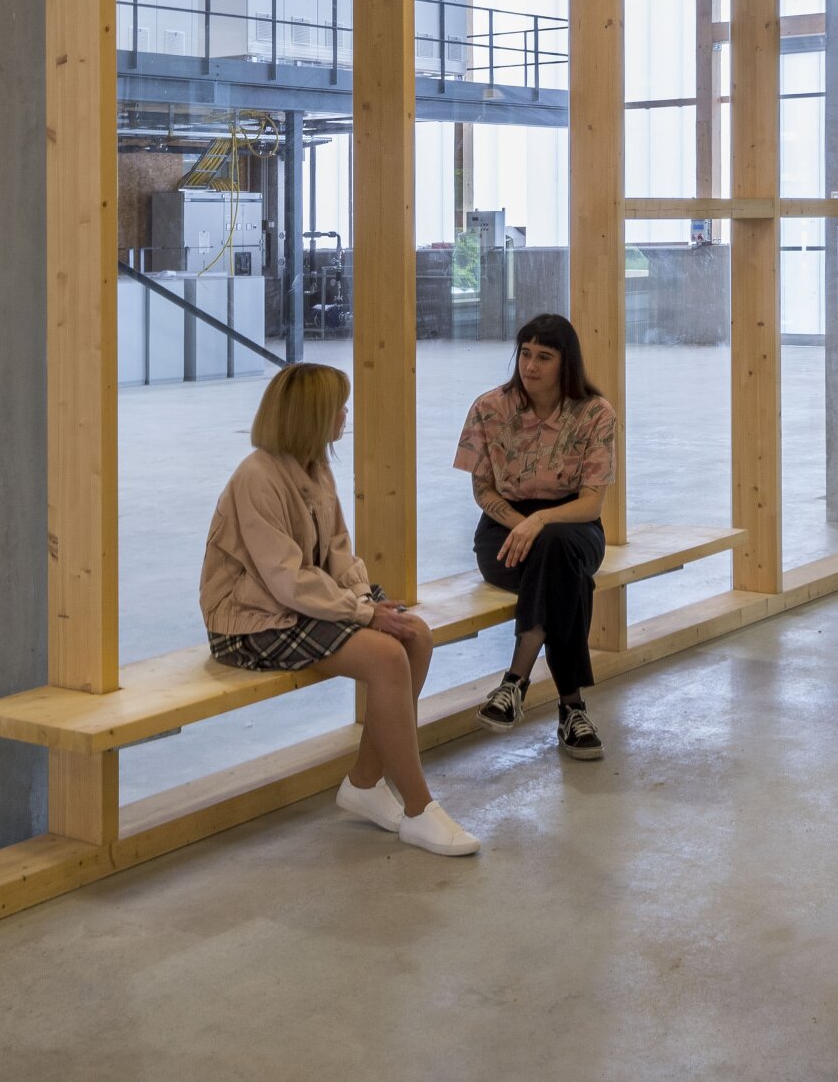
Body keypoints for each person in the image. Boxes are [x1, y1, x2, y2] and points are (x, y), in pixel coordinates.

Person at [202, 362, 478, 857]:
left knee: (415, 634)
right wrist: (363, 615)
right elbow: (286, 578)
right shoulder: (256, 478)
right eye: (338, 407)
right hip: (248, 622)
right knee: (386, 656)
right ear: (311, 415)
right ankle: (419, 809)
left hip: (292, 607)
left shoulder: (316, 467)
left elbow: (339, 553)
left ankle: (366, 782)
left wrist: (368, 602)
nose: (345, 415)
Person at [457, 313, 619, 760]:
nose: (530, 366)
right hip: (503, 532)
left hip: (573, 525)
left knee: (556, 549)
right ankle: (572, 709)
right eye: (525, 354)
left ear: (566, 363)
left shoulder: (594, 414)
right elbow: (482, 490)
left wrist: (541, 522)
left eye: (543, 357)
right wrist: (522, 523)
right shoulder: (489, 408)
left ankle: (515, 682)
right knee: (568, 576)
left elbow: (590, 504)